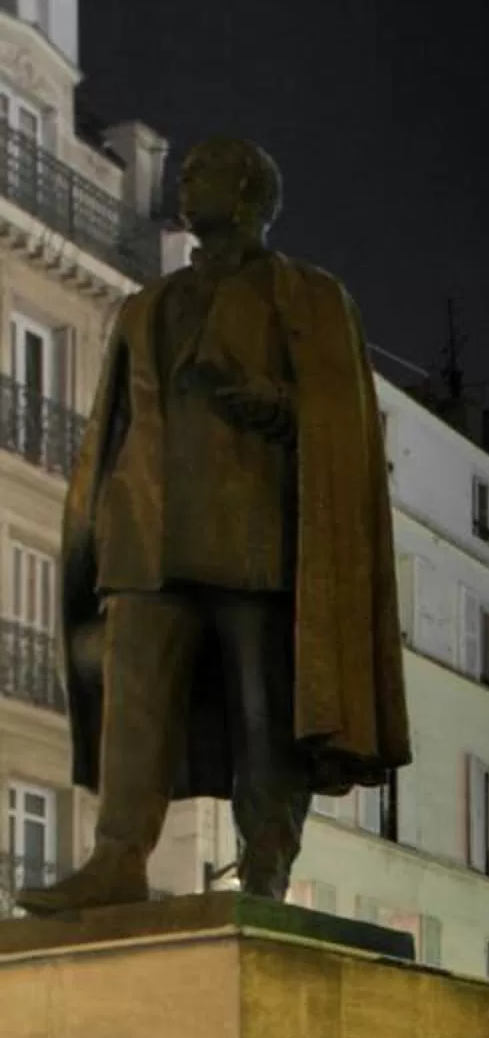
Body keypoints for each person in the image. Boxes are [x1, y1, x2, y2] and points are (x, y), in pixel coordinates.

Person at [23, 135, 409, 912]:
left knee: (267, 712)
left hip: (254, 540)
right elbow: (115, 422)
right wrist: (100, 525)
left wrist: (271, 403)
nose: (185, 179)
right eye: (187, 169)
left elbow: (343, 425)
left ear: (247, 196)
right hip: (145, 540)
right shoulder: (145, 306)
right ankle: (117, 859)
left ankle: (265, 862)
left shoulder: (308, 297)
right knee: (133, 706)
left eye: (205, 171)